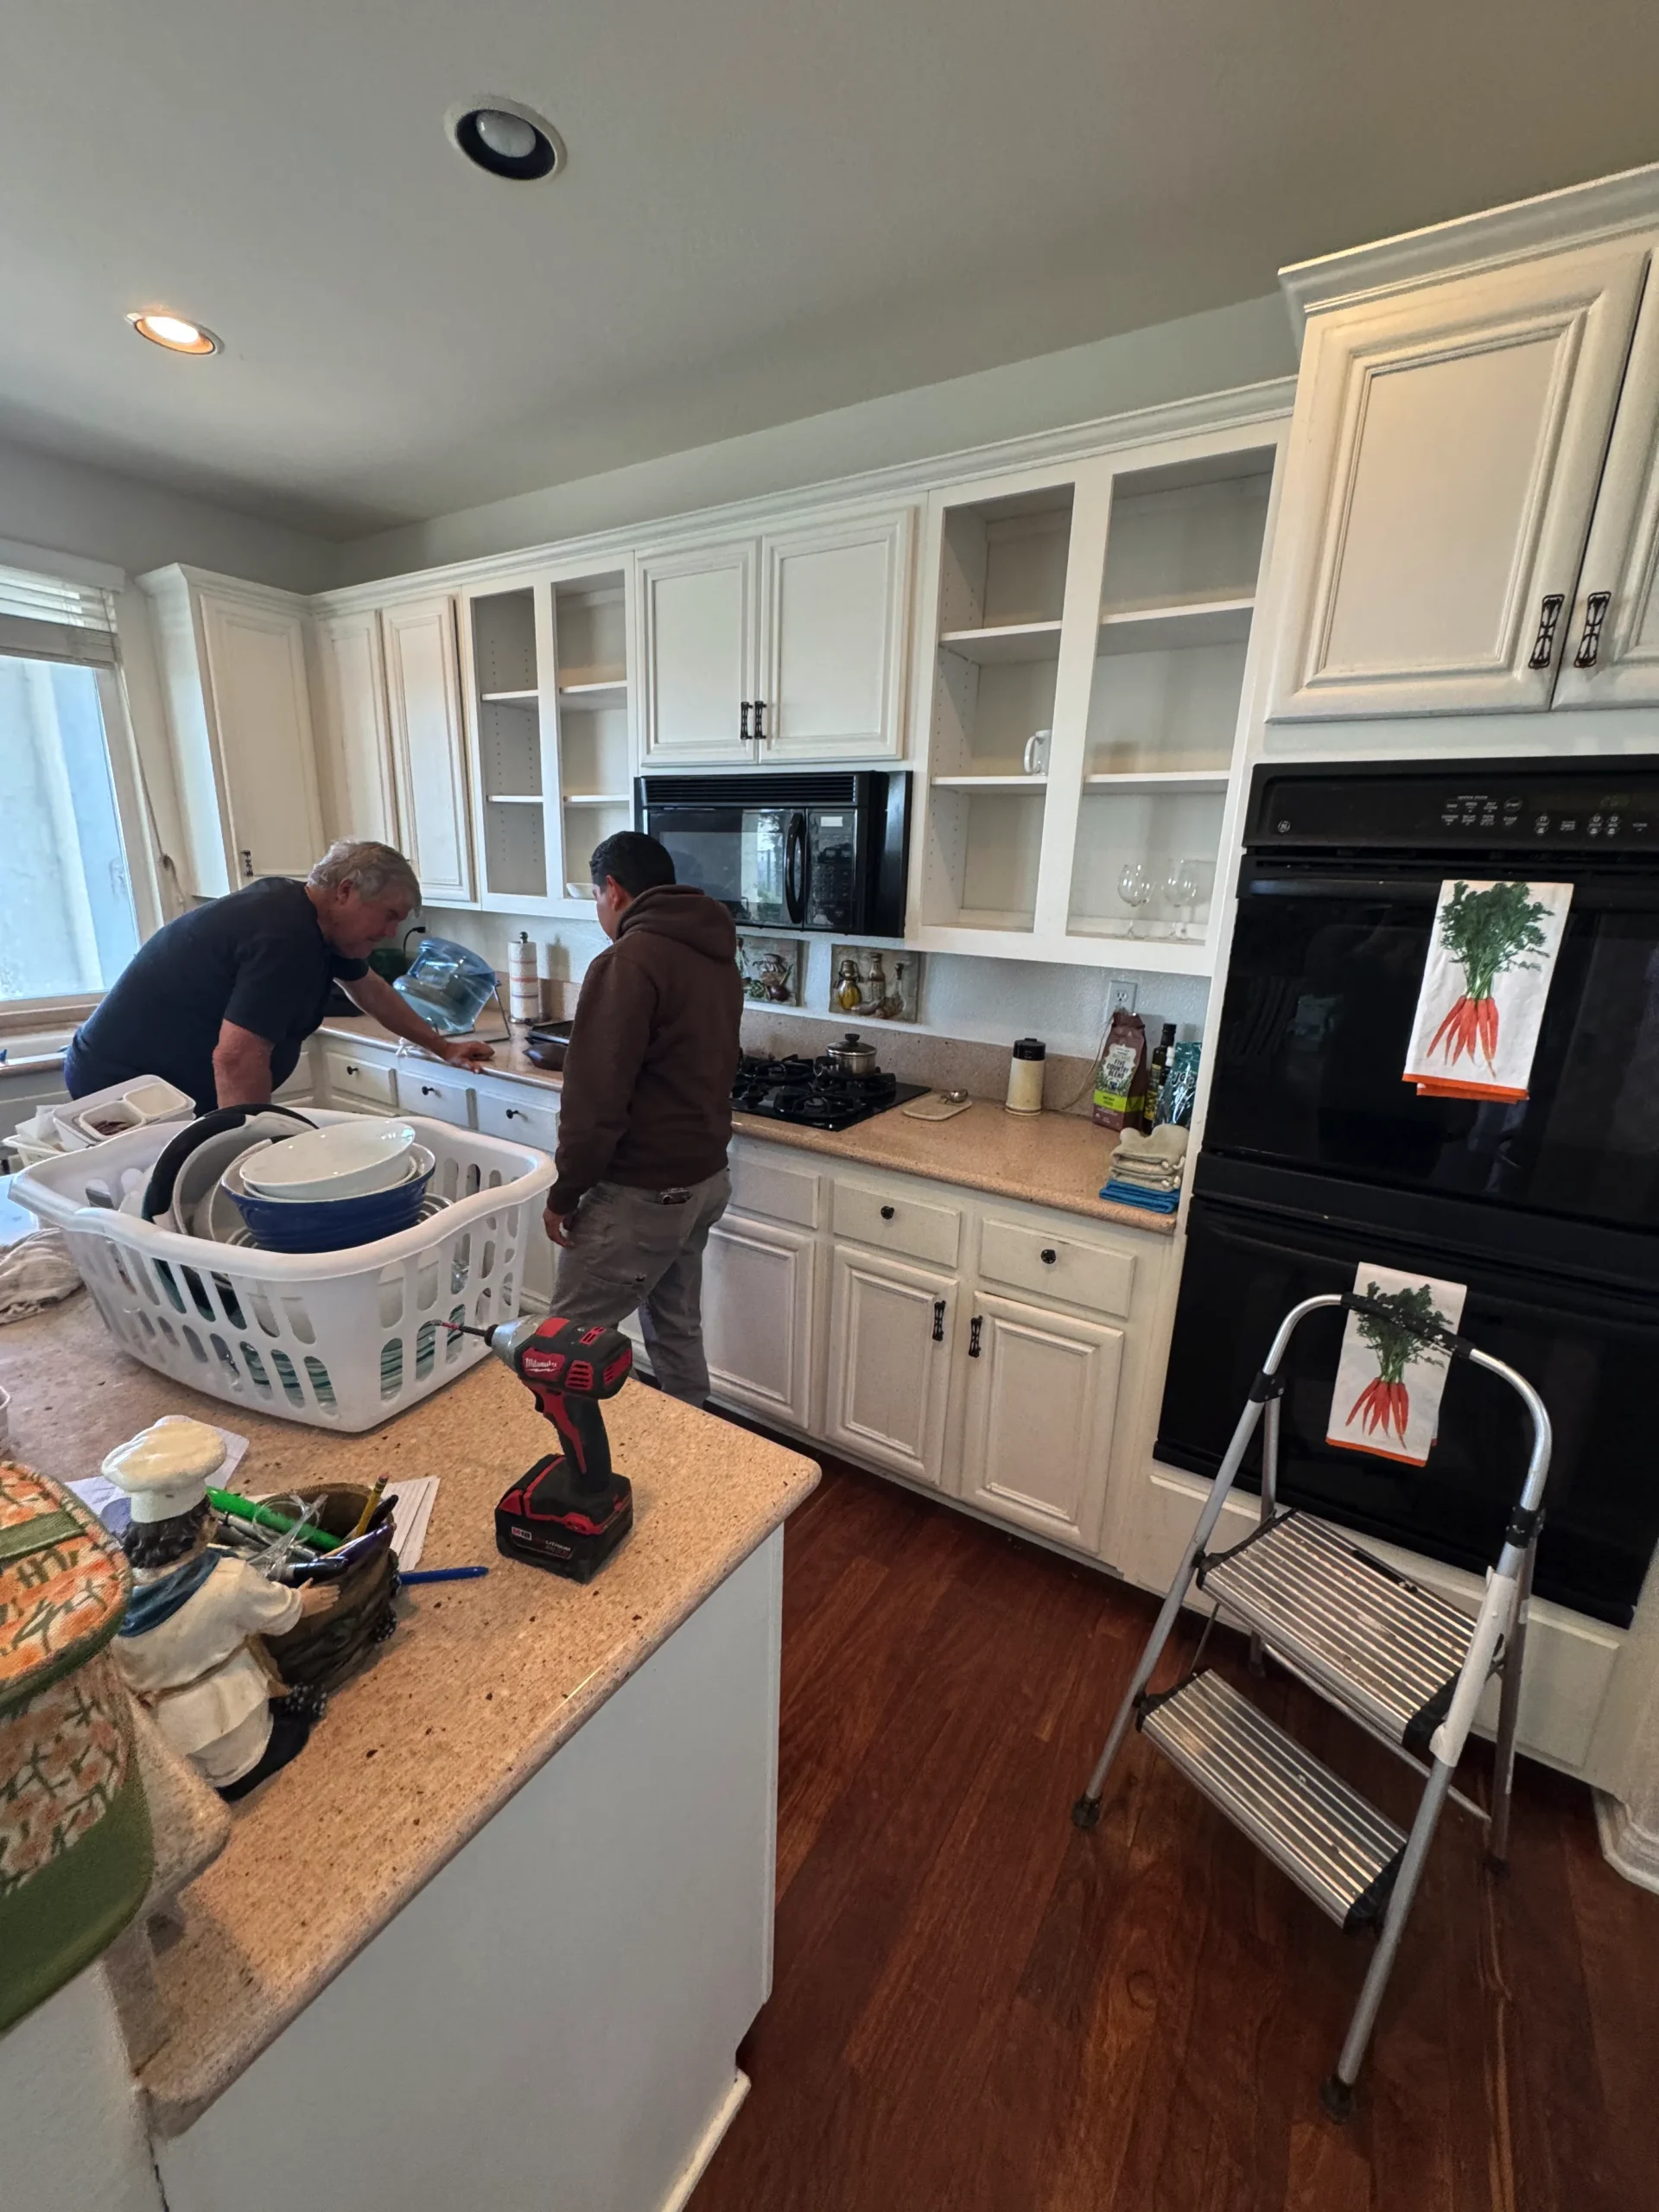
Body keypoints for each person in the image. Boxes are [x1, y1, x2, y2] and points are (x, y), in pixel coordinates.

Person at [64, 840, 493, 1112]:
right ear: (345, 892)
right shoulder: (286, 935)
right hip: (123, 1091)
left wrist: (442, 1047)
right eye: (389, 915)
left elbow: (370, 991)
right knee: (165, 1222)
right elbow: (235, 1059)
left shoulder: (309, 920)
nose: (390, 933)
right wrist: (253, 1153)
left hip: (133, 1082)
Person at [543, 830, 743, 1405]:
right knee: (677, 1329)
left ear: (613, 890)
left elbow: (594, 1101)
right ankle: (688, 1462)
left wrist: (565, 1194)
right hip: (704, 1181)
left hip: (642, 1191)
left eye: (594, 896)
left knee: (565, 1346)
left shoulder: (628, 961)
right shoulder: (715, 953)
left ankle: (580, 1475)